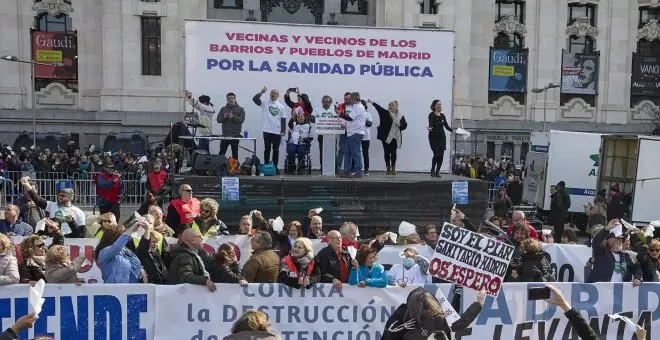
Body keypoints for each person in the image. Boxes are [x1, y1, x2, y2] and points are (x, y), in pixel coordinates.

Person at [381, 287, 485, 340]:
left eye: (428, 308)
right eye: (423, 308)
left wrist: (478, 303)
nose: (427, 311)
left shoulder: (435, 318)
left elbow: (460, 323)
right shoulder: (400, 318)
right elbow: (388, 335)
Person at [20, 178, 85, 237]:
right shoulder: (52, 205)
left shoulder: (78, 212)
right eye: (59, 195)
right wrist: (27, 186)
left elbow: (82, 232)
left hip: (71, 239)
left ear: (70, 198)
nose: (60, 197)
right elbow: (37, 200)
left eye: (63, 196)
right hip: (54, 237)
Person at [588, 219, 642, 284]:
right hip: (602, 291)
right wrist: (607, 229)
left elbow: (636, 268)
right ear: (609, 241)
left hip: (621, 291)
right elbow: (596, 242)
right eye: (617, 239)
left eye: (621, 239)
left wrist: (638, 278)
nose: (620, 241)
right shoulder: (601, 253)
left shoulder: (625, 256)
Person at [253, 86, 286, 174]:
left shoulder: (281, 106)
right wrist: (261, 92)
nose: (273, 94)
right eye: (272, 93)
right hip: (267, 130)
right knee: (267, 149)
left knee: (276, 150)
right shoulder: (265, 103)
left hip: (277, 131)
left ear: (278, 96)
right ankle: (267, 166)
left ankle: (275, 167)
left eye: (275, 93)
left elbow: (283, 119)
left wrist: (283, 131)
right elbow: (255, 99)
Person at [368, 99, 407, 175]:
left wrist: (400, 125)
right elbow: (378, 108)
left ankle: (393, 168)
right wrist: (372, 102)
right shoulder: (385, 113)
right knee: (387, 152)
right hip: (385, 136)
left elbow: (404, 125)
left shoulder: (400, 116)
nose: (391, 106)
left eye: (393, 105)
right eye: (390, 105)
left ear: (396, 107)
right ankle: (388, 168)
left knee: (393, 152)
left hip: (395, 137)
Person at [337, 92, 368, 178]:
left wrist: (339, 113)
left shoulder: (358, 107)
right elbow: (350, 119)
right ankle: (347, 171)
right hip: (351, 133)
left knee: (355, 153)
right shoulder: (355, 107)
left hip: (355, 133)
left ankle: (358, 172)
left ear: (354, 99)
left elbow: (349, 118)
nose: (349, 100)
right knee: (347, 152)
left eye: (351, 99)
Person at [427, 99, 453, 177]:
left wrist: (453, 130)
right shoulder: (431, 115)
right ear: (434, 106)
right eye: (438, 104)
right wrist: (430, 128)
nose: (439, 106)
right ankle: (432, 170)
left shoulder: (442, 116)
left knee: (441, 155)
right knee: (436, 154)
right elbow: (431, 124)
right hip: (433, 137)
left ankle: (437, 171)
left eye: (440, 104)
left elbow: (447, 126)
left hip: (442, 137)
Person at [217, 92, 246, 160]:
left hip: (235, 135)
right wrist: (224, 117)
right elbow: (218, 120)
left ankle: (235, 170)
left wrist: (233, 117)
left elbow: (241, 120)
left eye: (232, 98)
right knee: (221, 153)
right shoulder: (223, 109)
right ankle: (219, 168)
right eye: (229, 98)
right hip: (225, 135)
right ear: (227, 100)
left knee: (235, 154)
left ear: (235, 99)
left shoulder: (241, 109)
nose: (230, 99)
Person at [310, 95, 336, 168]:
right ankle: (323, 168)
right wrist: (318, 120)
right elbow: (311, 118)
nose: (326, 103)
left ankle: (333, 168)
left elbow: (339, 118)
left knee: (332, 152)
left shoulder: (334, 109)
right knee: (322, 152)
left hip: (332, 135)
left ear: (330, 102)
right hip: (321, 134)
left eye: (328, 102)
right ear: (322, 102)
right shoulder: (317, 109)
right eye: (324, 102)